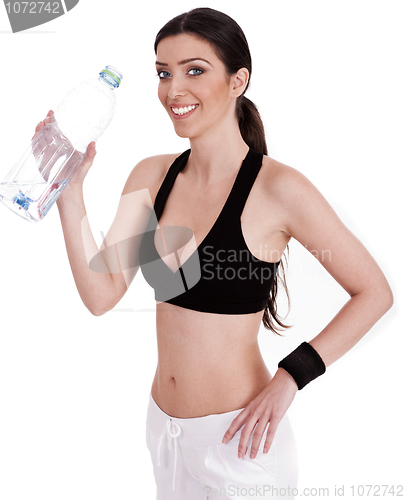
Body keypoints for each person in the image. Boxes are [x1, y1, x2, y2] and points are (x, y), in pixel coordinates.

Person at [33, 7, 394, 500]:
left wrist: (291, 377)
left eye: (194, 70)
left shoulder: (279, 189)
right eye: (163, 73)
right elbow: (102, 294)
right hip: (164, 434)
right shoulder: (151, 176)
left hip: (242, 442)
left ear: (237, 80)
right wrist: (69, 194)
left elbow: (374, 293)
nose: (173, 90)